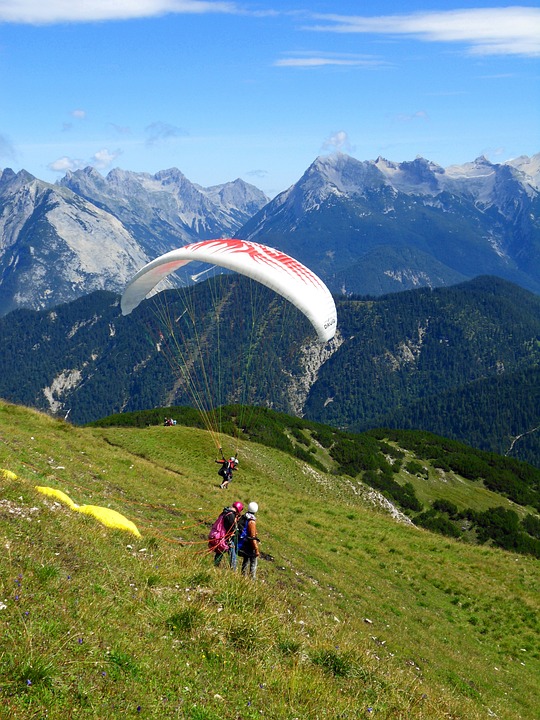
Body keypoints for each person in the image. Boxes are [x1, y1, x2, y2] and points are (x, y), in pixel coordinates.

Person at [213, 501, 244, 569]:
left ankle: (215, 565)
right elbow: (232, 528)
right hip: (227, 537)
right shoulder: (231, 515)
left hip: (221, 536)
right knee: (232, 554)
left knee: (220, 551)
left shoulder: (225, 512)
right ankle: (233, 569)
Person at [238, 502, 260, 580]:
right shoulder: (252, 521)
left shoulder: (244, 517)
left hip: (243, 544)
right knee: (253, 562)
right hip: (249, 545)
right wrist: (256, 549)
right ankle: (252, 579)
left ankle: (242, 576)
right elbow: (252, 537)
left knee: (245, 560)